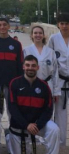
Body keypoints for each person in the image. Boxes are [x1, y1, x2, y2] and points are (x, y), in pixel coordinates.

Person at [6, 55, 60, 154]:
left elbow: (49, 109)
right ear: (23, 67)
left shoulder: (44, 86)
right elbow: (12, 108)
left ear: (37, 67)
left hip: (37, 125)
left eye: (33, 65)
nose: (30, 68)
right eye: (28, 65)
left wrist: (37, 125)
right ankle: (8, 135)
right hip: (20, 125)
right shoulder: (14, 83)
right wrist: (26, 125)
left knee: (54, 129)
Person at [0, 17, 23, 120]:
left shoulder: (16, 44)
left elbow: (20, 65)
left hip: (12, 84)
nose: (2, 27)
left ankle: (12, 134)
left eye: (4, 25)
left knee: (13, 111)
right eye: (0, 25)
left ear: (8, 26)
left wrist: (20, 83)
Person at [47, 12, 69, 146]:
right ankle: (55, 141)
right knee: (58, 112)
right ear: (58, 25)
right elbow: (50, 61)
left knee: (63, 113)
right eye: (62, 24)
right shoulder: (53, 39)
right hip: (59, 80)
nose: (65, 26)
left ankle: (61, 142)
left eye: (67, 23)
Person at [23, 26, 60, 103]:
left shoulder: (50, 52)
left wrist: (56, 91)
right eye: (35, 33)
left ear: (43, 35)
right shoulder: (26, 51)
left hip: (47, 84)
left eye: (40, 33)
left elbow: (55, 72)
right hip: (31, 84)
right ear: (31, 35)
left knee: (48, 110)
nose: (38, 35)